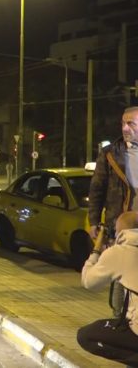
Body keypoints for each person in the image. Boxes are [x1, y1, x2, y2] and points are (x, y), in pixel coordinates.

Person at [77, 211, 138, 365]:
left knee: (86, 335)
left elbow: (89, 282)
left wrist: (97, 249)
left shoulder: (121, 252)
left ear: (122, 232)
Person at [89, 106, 138, 238]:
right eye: (123, 123)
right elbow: (97, 189)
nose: (124, 128)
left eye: (130, 124)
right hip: (120, 226)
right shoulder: (109, 154)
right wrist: (94, 222)